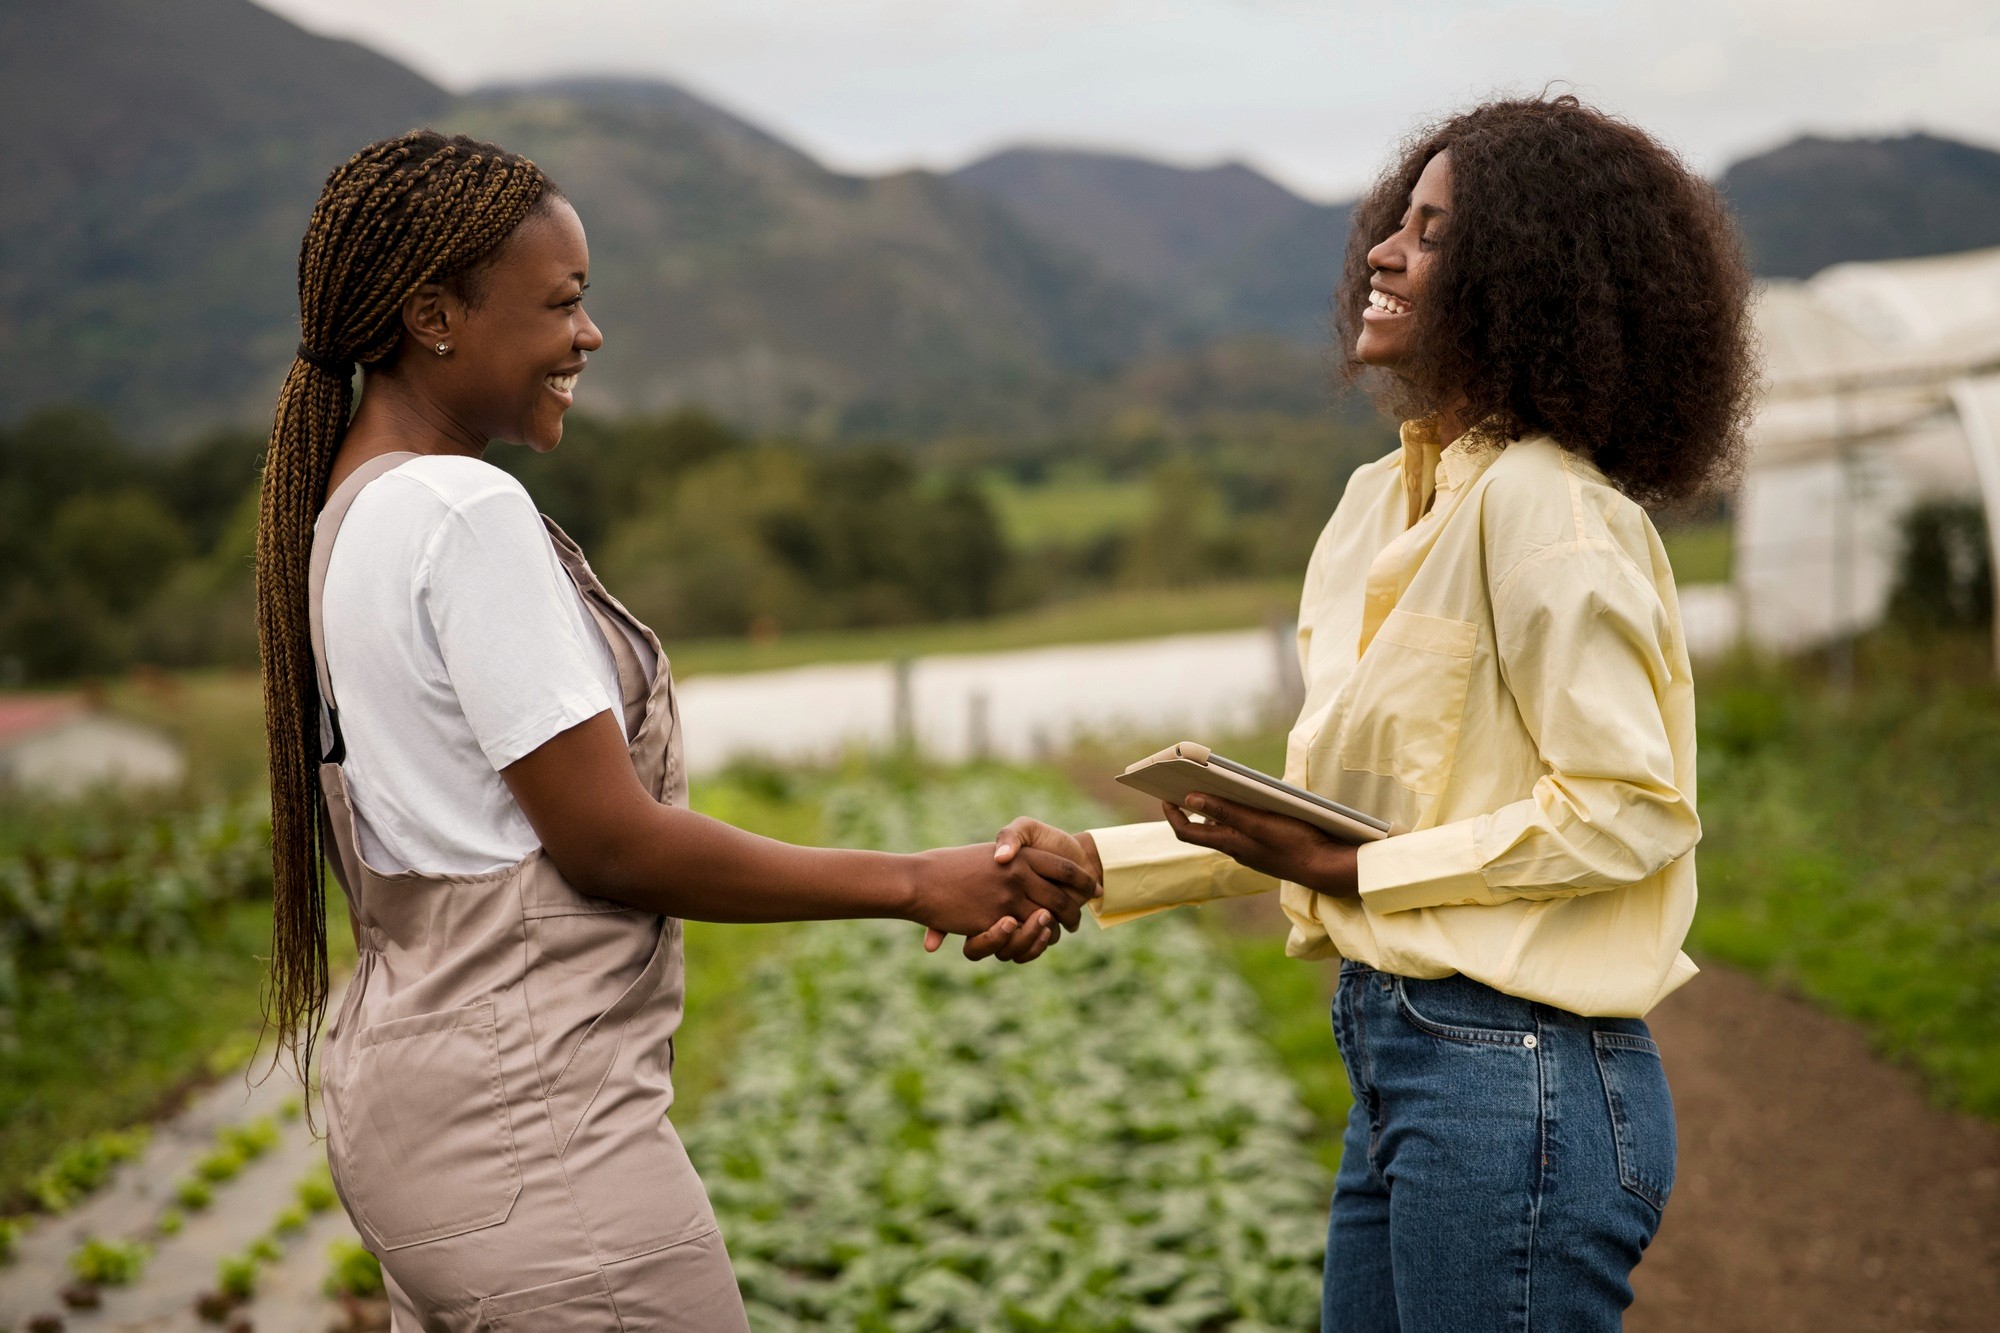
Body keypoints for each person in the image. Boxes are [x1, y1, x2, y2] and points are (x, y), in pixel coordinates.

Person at [254, 130, 1098, 1331]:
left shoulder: (349, 511)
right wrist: (919, 877)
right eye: (563, 302)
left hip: (415, 1120)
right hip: (533, 1142)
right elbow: (610, 844)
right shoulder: (463, 507)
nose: (587, 336)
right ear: (433, 314)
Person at [1001, 95, 1755, 1331]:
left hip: (1518, 1083)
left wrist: (1360, 864)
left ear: (1530, 280)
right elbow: (1352, 827)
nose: (1383, 253)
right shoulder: (1371, 508)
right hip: (1406, 1066)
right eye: (1393, 222)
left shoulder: (1545, 508)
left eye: (1433, 233)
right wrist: (1097, 864)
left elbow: (1629, 811)